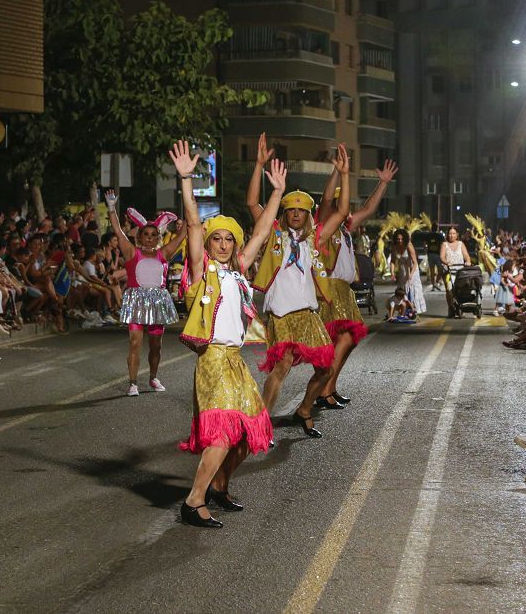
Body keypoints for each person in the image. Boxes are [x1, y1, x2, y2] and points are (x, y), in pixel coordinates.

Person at [170, 140, 284, 529]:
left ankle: (219, 485)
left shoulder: (238, 272)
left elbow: (264, 228)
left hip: (234, 360)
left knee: (249, 434)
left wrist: (279, 194)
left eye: (227, 239)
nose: (221, 244)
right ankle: (193, 501)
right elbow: (191, 223)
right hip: (213, 360)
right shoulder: (204, 272)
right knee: (221, 433)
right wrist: (187, 179)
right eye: (216, 238)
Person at [247, 133, 349, 439]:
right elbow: (252, 202)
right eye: (291, 209)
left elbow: (341, 212)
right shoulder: (273, 233)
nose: (295, 213)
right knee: (282, 368)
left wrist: (343, 173)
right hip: (281, 314)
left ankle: (304, 409)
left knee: (327, 368)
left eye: (301, 210)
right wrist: (258, 165)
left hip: (308, 314)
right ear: (284, 213)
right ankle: (261, 424)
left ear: (307, 215)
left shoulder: (314, 238)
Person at [312, 158, 398, 410]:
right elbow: (326, 200)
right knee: (340, 341)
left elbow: (369, 209)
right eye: (344, 206)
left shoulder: (346, 229)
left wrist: (382, 184)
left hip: (344, 292)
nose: (348, 211)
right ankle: (323, 389)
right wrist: (338, 172)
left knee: (350, 339)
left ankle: (330, 387)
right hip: (328, 289)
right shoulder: (326, 225)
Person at [106, 192, 186, 397]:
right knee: (134, 343)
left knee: (156, 346)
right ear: (139, 237)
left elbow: (183, 234)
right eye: (146, 234)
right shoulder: (132, 252)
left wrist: (189, 207)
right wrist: (111, 208)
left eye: (153, 234)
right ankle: (133, 383)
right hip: (137, 301)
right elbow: (116, 229)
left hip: (158, 302)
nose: (149, 238)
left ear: (158, 237)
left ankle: (153, 377)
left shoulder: (164, 253)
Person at [391, 228, 426, 316]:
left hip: (412, 269)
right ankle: (404, 309)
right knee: (402, 290)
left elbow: (415, 263)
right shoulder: (394, 246)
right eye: (398, 239)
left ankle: (413, 310)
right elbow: (392, 261)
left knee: (411, 289)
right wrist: (392, 273)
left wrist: (410, 275)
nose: (400, 241)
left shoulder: (409, 245)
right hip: (402, 270)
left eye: (402, 239)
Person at [440, 226, 471, 315]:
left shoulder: (461, 244)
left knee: (461, 290)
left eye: (453, 233)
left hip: (460, 272)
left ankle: (460, 306)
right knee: (449, 290)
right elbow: (442, 257)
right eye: (450, 233)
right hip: (448, 271)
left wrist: (468, 261)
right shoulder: (444, 244)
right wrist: (446, 262)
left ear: (457, 235)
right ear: (447, 234)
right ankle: (451, 307)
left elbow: (466, 255)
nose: (452, 235)